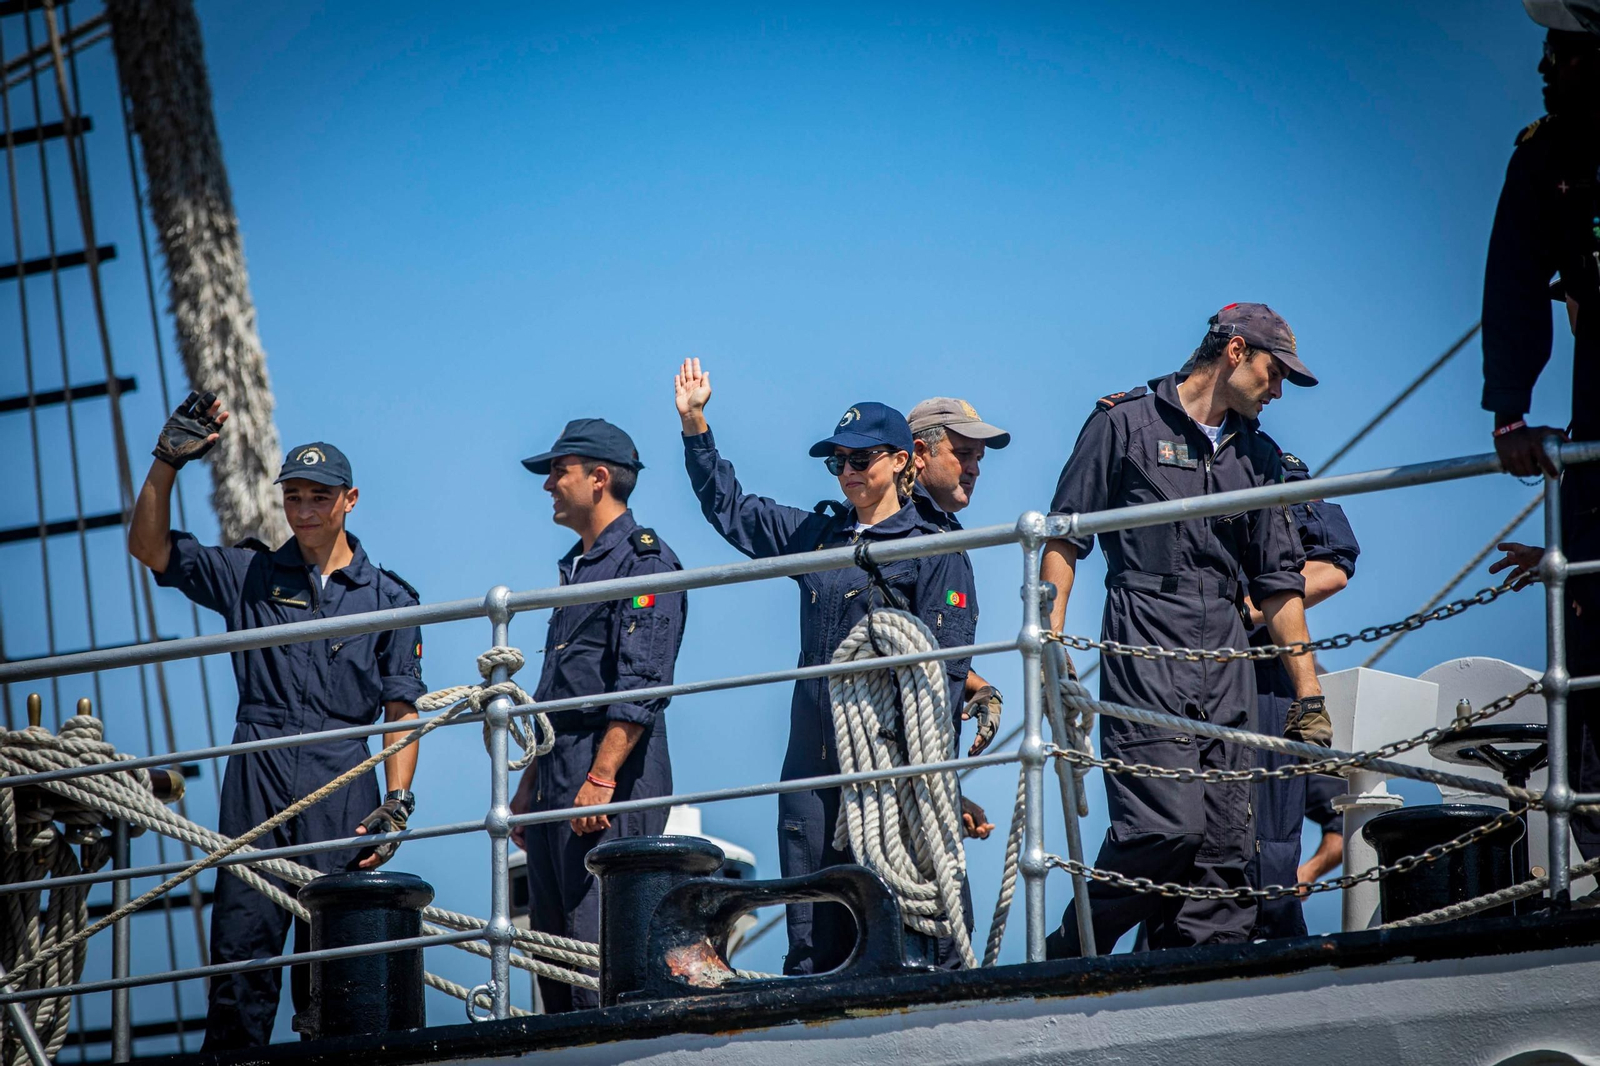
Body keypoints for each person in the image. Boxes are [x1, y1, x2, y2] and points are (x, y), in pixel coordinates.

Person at [128, 393, 424, 1049]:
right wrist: (164, 465)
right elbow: (149, 548)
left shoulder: (392, 601)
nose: (305, 510)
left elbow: (401, 710)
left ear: (350, 500)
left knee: (342, 989)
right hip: (256, 785)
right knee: (239, 979)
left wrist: (398, 803)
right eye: (294, 497)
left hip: (344, 792)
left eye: (320, 497)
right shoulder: (249, 576)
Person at [674, 358, 977, 974]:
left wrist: (936, 776)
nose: (846, 473)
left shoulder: (936, 548)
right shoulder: (818, 538)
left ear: (901, 461)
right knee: (812, 936)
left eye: (859, 460)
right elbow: (733, 509)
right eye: (836, 462)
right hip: (812, 766)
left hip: (892, 771)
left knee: (905, 925)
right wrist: (695, 426)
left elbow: (941, 675)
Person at [1041, 304, 1326, 958]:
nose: (1278, 389)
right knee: (1162, 828)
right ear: (1233, 352)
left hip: (1228, 652)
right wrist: (1048, 647)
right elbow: (1063, 537)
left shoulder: (1261, 457)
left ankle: (1195, 995)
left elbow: (1279, 582)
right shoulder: (1124, 423)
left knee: (1224, 851)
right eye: (1273, 372)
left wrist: (1309, 696)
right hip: (1146, 637)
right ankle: (1076, 942)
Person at [509, 418, 687, 1013]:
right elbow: (554, 688)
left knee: (599, 961)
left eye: (559, 472)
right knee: (554, 963)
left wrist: (602, 778)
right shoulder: (578, 567)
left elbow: (641, 682)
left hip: (609, 773)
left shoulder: (645, 565)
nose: (548, 485)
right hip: (559, 773)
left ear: (599, 478)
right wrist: (530, 790)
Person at [1482, 1, 1600, 869]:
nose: (1544, 68)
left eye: (1563, 50)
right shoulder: (1546, 157)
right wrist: (1512, 413)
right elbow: (1515, 283)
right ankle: (1592, 859)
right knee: (1586, 605)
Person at [908, 398, 1013, 837]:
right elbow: (896, 653)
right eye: (963, 454)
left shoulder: (942, 534)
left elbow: (926, 647)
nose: (974, 469)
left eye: (979, 459)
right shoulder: (903, 536)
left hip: (925, 775)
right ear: (918, 454)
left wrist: (978, 687)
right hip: (888, 776)